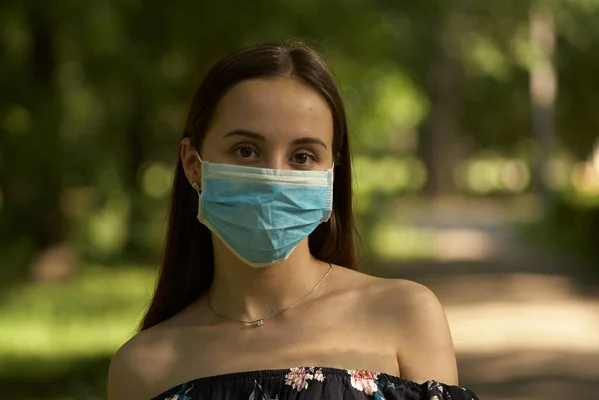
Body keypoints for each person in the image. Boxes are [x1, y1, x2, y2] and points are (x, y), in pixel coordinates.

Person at [107, 41, 479, 400]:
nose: (273, 175)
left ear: (331, 171)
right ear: (193, 164)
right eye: (246, 150)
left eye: (302, 157)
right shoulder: (142, 368)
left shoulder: (405, 314)